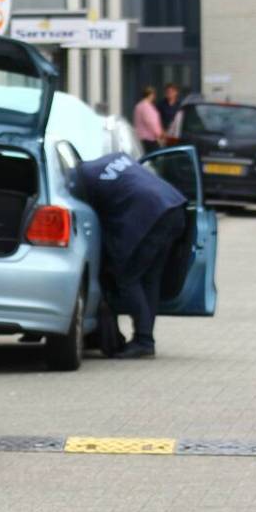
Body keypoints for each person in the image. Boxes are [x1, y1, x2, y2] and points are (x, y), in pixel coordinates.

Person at [75, 153, 186, 359]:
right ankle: (145, 339)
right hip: (174, 207)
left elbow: (95, 221)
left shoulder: (82, 184)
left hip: (150, 215)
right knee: (150, 280)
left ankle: (144, 341)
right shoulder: (111, 159)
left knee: (128, 278)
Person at [132, 86, 163, 153]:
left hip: (140, 137)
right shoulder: (147, 107)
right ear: (150, 95)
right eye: (154, 95)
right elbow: (151, 122)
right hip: (149, 138)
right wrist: (158, 134)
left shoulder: (138, 106)